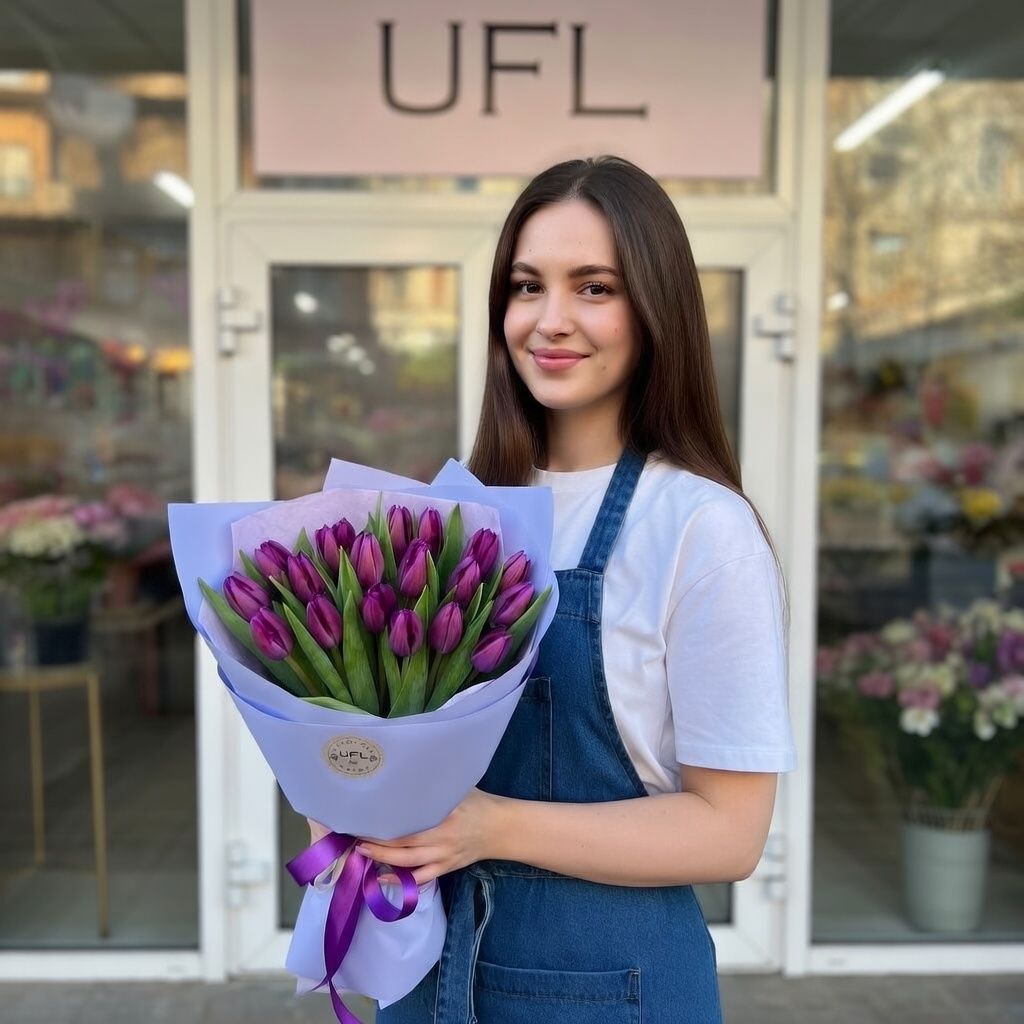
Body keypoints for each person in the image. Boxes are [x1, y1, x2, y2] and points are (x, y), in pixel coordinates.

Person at [323, 155, 797, 1023]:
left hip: (613, 988)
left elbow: (731, 833)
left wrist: (488, 827)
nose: (550, 320)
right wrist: (349, 796)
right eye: (527, 286)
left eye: (594, 287)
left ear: (656, 309)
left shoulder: (699, 527)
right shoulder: (457, 518)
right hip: (432, 974)